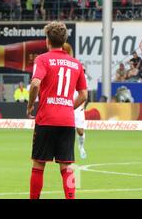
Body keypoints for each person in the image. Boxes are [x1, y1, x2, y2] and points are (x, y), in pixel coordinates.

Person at [26, 21, 88, 199]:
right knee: (67, 166)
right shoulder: (76, 64)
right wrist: (68, 106)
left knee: (38, 165)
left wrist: (30, 105)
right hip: (67, 120)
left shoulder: (43, 59)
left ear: (47, 40)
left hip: (46, 118)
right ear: (65, 40)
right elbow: (83, 95)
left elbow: (36, 83)